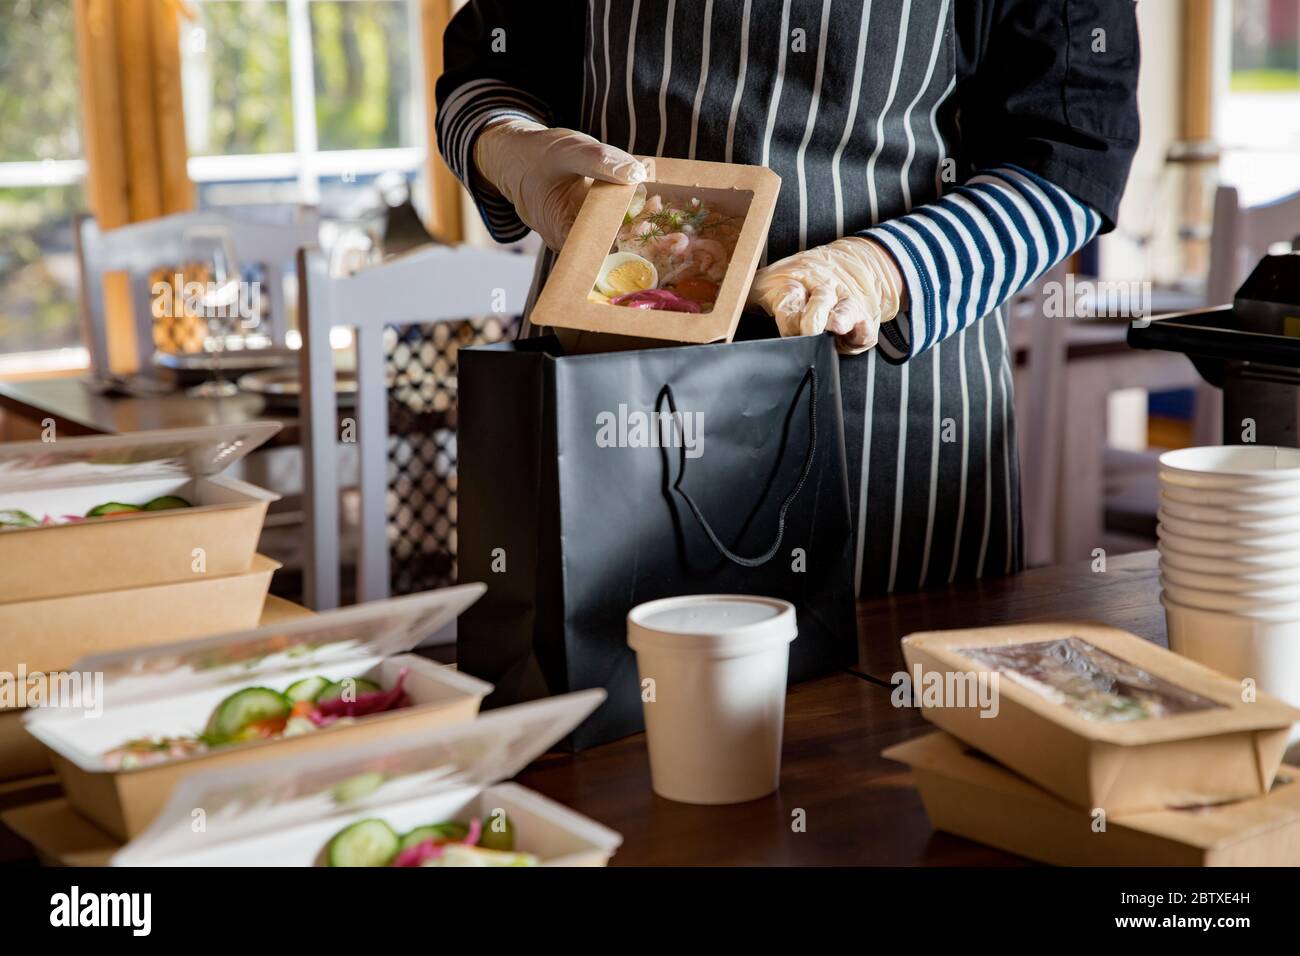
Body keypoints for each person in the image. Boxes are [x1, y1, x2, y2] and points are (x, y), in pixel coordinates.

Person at [436, 0, 1140, 596]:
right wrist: (512, 151)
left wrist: (877, 273)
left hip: (887, 416)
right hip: (602, 385)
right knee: (596, 729)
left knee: (880, 734)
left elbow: (1071, 150)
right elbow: (491, 66)